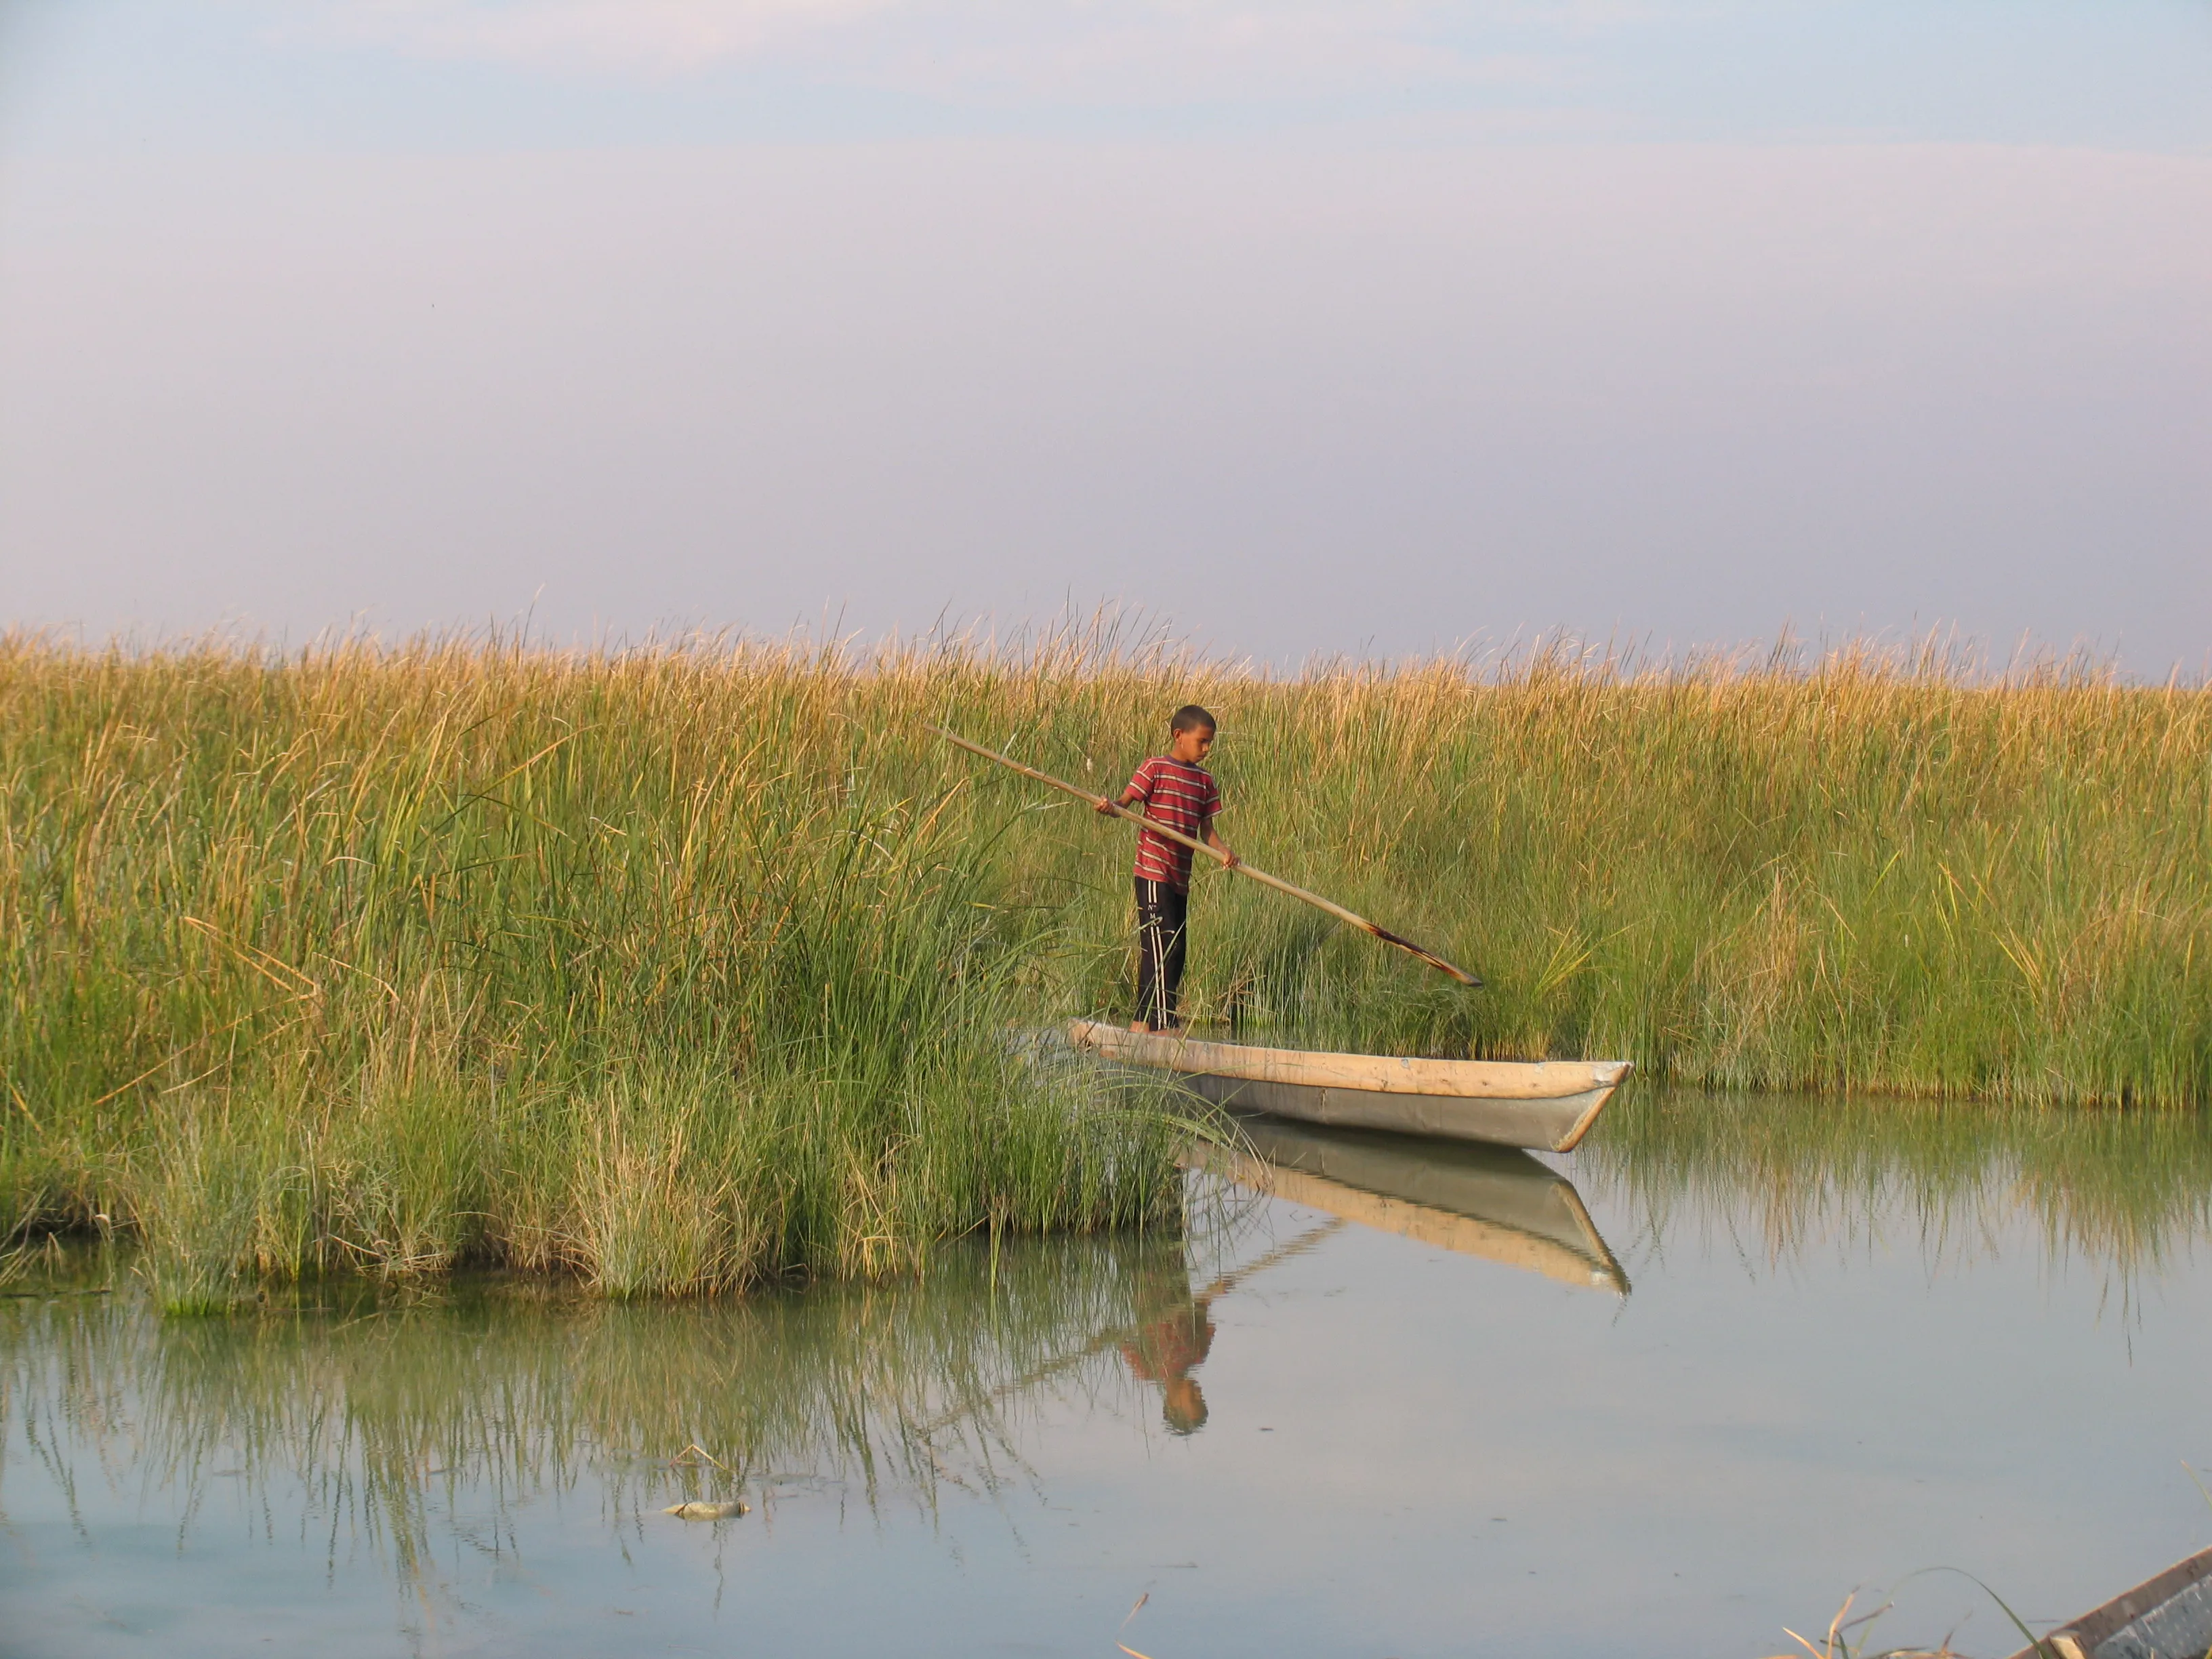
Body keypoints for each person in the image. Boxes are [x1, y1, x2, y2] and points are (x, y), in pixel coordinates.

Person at [1098, 705, 1237, 1033]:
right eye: (1202, 742)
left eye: (1209, 743)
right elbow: (1124, 804)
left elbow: (1208, 831)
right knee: (1162, 948)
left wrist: (1223, 851)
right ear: (1179, 736)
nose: (1206, 749)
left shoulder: (1204, 781)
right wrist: (1109, 808)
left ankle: (1140, 1026)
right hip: (1152, 871)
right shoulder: (1155, 768)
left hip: (1180, 877)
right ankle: (1164, 1024)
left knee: (1174, 949)